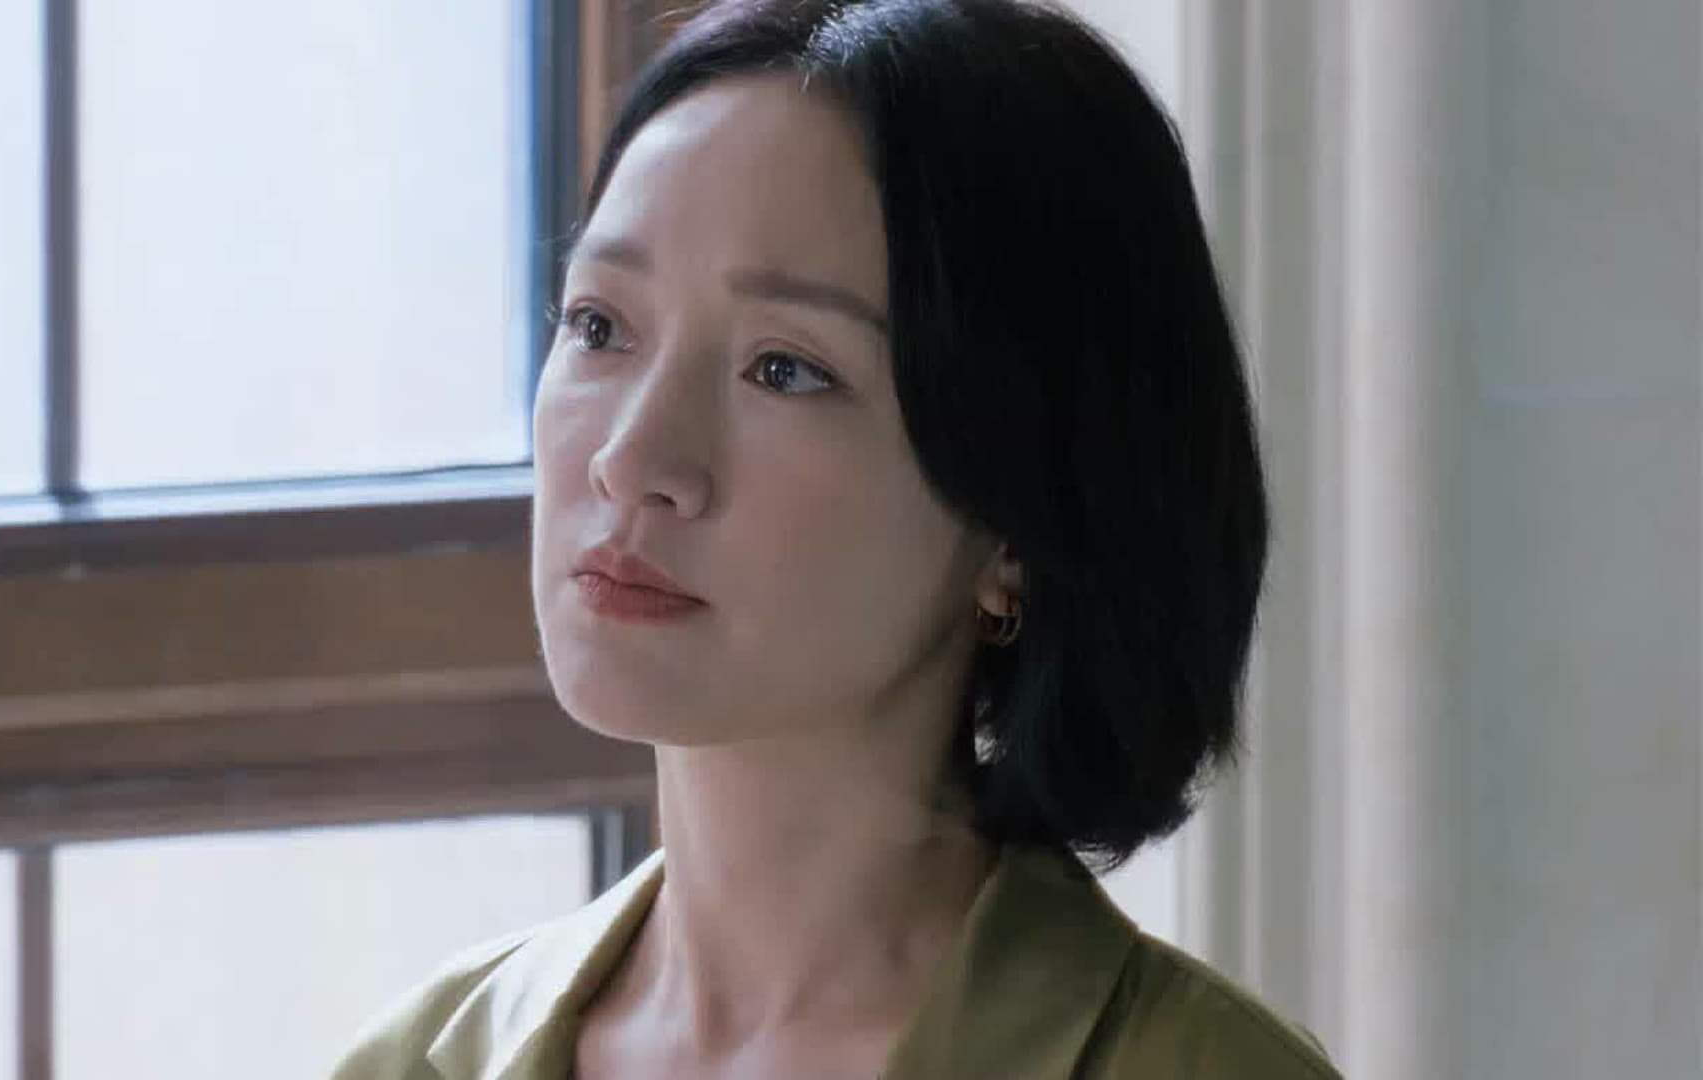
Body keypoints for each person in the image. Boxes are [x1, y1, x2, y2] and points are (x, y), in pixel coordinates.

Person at [330, 0, 1339, 1076]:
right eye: (600, 326)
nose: (631, 458)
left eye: (785, 369)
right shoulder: (419, 1061)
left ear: (1013, 524)